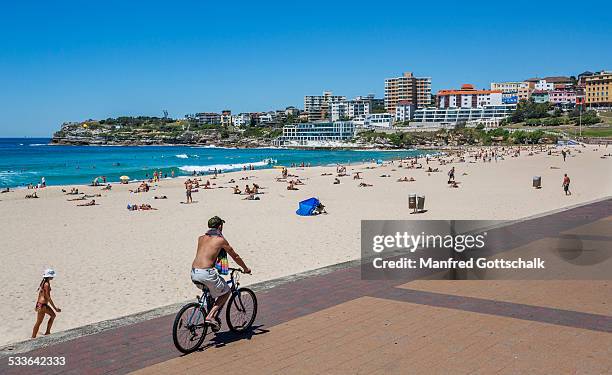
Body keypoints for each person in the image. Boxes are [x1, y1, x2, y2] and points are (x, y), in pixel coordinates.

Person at [191, 217, 251, 332]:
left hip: (194, 272)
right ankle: (210, 316)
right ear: (220, 226)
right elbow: (235, 256)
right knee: (226, 292)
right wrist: (245, 268)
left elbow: (207, 254)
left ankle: (210, 316)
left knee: (211, 291)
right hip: (206, 273)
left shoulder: (201, 238)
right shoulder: (220, 240)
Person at [32, 269, 61, 338]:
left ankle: (43, 333)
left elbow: (40, 295)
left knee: (41, 321)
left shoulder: (43, 282)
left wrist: (37, 305)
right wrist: (55, 308)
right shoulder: (47, 284)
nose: (53, 277)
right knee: (40, 321)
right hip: (43, 305)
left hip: (40, 304)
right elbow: (48, 297)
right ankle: (34, 336)